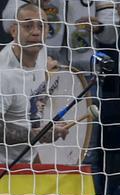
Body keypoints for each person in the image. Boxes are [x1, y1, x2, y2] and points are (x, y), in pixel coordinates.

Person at [0, 4, 71, 165]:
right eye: (28, 25)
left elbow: (34, 95)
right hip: (4, 166)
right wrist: (38, 135)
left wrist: (51, 123)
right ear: (14, 31)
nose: (36, 31)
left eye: (41, 25)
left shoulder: (41, 51)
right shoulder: (3, 75)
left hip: (30, 158)